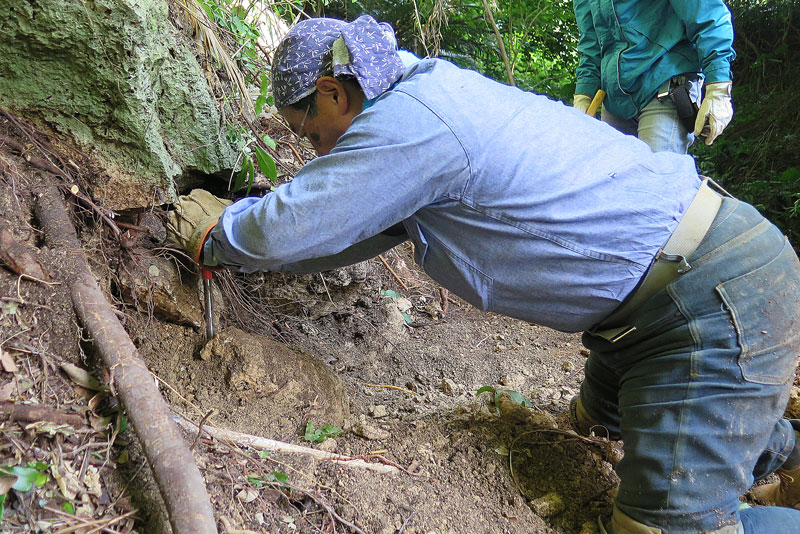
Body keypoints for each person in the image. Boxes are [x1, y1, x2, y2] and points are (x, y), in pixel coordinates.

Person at [167, 16, 800, 534]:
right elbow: (339, 233)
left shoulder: (412, 125)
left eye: (311, 130)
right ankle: (784, 455)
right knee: (597, 420)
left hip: (709, 300)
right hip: (668, 303)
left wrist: (216, 235)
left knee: (661, 529)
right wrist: (241, 249)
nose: (316, 150)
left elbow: (285, 226)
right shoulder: (425, 97)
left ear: (335, 92)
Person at [572, 0, 736, 154]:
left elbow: (706, 15)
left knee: (655, 178)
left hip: (665, 86)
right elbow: (591, 44)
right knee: (611, 180)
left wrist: (718, 88)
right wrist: (584, 94)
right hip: (615, 101)